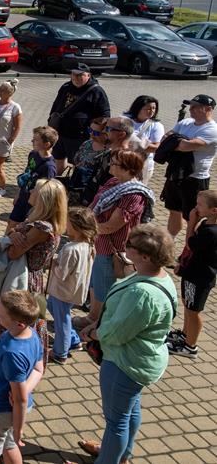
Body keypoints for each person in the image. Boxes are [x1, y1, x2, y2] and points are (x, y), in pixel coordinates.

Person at [72, 226, 177, 464]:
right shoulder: (157, 276)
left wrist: (92, 333)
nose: (125, 247)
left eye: (131, 246)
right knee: (129, 411)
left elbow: (118, 333)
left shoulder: (143, 293)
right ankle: (120, 455)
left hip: (125, 363)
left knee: (116, 420)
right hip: (140, 361)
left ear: (145, 256)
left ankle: (108, 459)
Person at [77, 150, 153, 332]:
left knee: (105, 289)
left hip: (112, 249)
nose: (110, 165)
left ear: (128, 169)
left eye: (114, 163)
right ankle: (92, 317)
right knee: (95, 283)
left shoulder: (133, 195)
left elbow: (112, 226)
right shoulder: (114, 182)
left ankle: (100, 325)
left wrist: (84, 228)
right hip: (98, 242)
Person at [4, 178, 67, 365]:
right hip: (32, 276)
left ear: (43, 198)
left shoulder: (41, 228)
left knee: (21, 321)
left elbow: (13, 252)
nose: (30, 191)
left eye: (35, 190)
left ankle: (20, 363)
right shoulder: (41, 221)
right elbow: (12, 234)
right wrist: (12, 234)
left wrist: (11, 235)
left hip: (26, 278)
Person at [0, 291, 45, 464]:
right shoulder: (32, 334)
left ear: (19, 323)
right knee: (9, 444)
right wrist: (26, 389)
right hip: (10, 411)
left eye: (1, 315)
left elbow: (20, 399)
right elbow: (39, 369)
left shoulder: (12, 353)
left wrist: (19, 428)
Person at [168, 189, 217, 359]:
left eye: (199, 205)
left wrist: (190, 223)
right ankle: (185, 334)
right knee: (187, 304)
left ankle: (190, 346)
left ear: (213, 210)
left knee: (193, 311)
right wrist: (181, 263)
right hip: (192, 273)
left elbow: (191, 244)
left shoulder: (211, 232)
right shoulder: (205, 224)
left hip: (200, 277)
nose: (196, 208)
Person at [160, 94, 217, 238]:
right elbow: (165, 139)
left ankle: (189, 249)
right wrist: (175, 142)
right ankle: (169, 243)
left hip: (195, 179)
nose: (191, 109)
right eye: (191, 105)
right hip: (176, 174)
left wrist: (174, 142)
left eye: (196, 107)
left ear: (209, 109)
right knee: (174, 210)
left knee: (193, 216)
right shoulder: (185, 123)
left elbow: (186, 146)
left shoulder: (212, 130)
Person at [46, 207, 97, 364]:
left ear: (76, 227)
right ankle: (74, 340)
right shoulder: (88, 245)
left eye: (67, 223)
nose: (65, 226)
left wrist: (53, 262)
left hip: (63, 291)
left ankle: (60, 352)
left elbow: (61, 274)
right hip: (75, 290)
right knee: (55, 309)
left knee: (62, 321)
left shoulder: (70, 249)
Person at [47, 63, 111, 174]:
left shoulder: (96, 91)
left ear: (88, 75)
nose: (76, 78)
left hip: (80, 137)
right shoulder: (66, 87)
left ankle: (74, 186)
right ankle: (55, 183)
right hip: (60, 132)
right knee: (58, 158)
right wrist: (51, 120)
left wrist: (95, 134)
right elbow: (56, 105)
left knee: (79, 164)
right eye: (73, 74)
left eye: (80, 75)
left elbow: (105, 116)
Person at [7, 126, 58, 231]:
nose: (32, 141)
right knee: (12, 222)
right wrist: (18, 194)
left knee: (25, 228)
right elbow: (27, 174)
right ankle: (2, 245)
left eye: (36, 140)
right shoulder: (33, 154)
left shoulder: (49, 167)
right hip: (23, 196)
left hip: (34, 203)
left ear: (46, 144)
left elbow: (45, 191)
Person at [80, 116, 135, 206]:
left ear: (121, 134)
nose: (104, 131)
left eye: (108, 128)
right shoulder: (109, 152)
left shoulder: (125, 160)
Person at [123, 95, 164, 184]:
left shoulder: (156, 126)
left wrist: (132, 141)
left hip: (142, 165)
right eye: (148, 108)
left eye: (154, 108)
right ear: (138, 108)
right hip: (122, 162)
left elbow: (156, 147)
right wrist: (142, 143)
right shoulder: (124, 120)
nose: (152, 111)